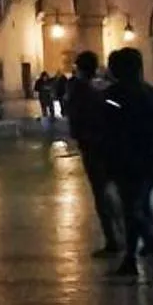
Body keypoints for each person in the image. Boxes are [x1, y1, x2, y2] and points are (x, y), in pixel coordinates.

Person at [104, 49, 153, 280]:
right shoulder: (150, 92)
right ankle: (130, 259)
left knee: (131, 210)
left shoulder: (116, 95)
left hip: (127, 158)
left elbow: (110, 125)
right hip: (150, 157)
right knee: (139, 207)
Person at [63, 52, 123, 255]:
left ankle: (114, 240)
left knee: (102, 194)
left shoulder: (78, 90)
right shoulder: (101, 90)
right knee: (110, 192)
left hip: (91, 145)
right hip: (106, 144)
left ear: (78, 68)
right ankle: (122, 235)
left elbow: (73, 116)